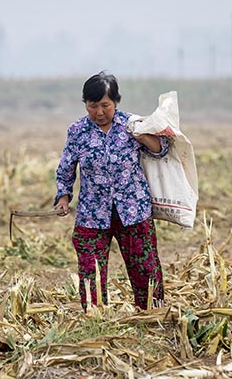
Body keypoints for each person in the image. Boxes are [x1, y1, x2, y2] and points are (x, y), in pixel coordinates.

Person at [54, 71, 169, 312]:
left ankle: (152, 313)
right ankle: (95, 316)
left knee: (145, 267)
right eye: (92, 106)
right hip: (92, 213)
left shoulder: (132, 124)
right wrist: (63, 197)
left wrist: (141, 134)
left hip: (133, 210)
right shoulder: (77, 132)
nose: (99, 112)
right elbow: (66, 167)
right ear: (85, 103)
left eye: (105, 105)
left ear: (116, 102)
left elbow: (160, 150)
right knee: (90, 269)